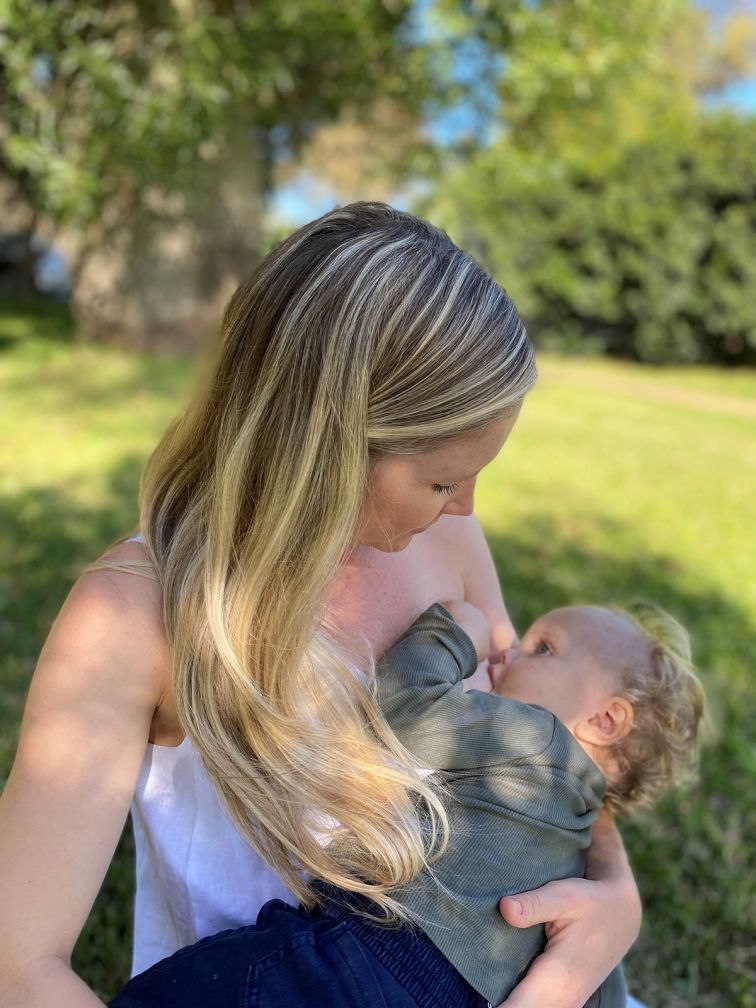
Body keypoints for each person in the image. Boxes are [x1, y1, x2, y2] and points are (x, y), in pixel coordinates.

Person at [0, 202, 643, 1008]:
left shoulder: (450, 549)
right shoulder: (136, 618)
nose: (466, 508)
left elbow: (541, 766)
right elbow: (19, 964)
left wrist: (615, 907)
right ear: (327, 443)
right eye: (442, 479)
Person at [107, 599, 703, 1008]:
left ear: (604, 719)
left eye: (542, 648)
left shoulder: (534, 736)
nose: (508, 653)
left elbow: (401, 709)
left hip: (369, 959)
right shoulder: (577, 859)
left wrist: (452, 632)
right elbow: (592, 984)